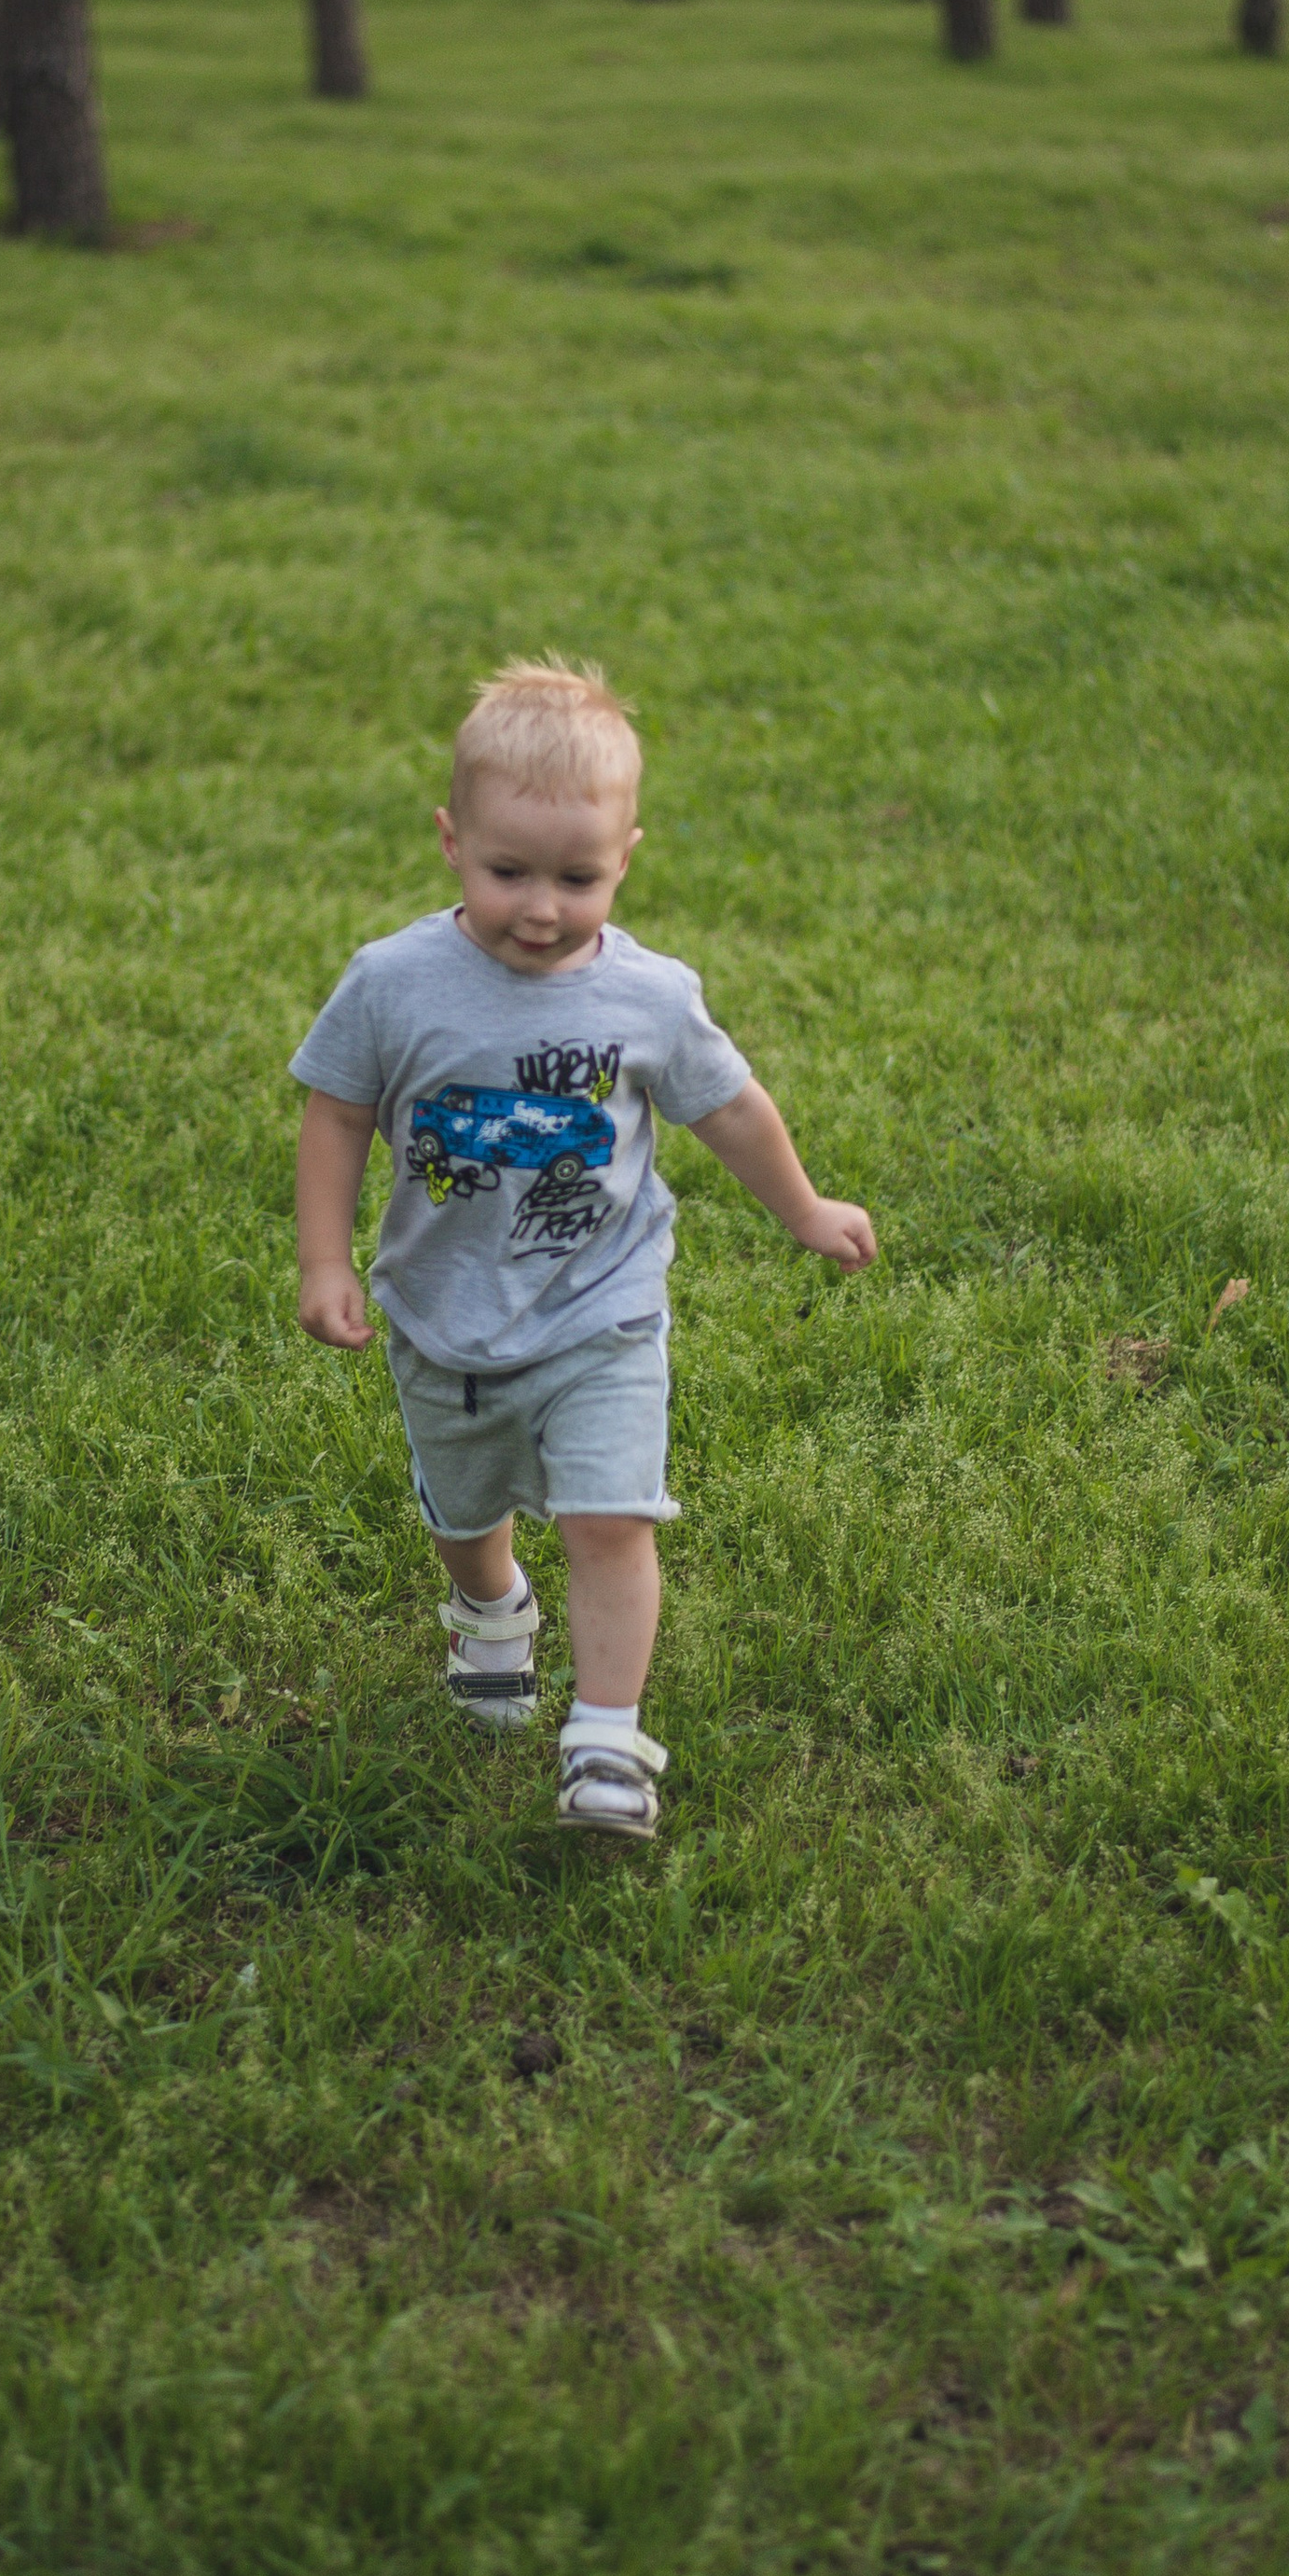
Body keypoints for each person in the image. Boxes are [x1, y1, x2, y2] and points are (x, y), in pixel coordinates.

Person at [290, 657, 876, 1841]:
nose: (543, 908)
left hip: (603, 1311)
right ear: (452, 840)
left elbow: (729, 1106)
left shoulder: (648, 997)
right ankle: (491, 1610)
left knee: (610, 1516)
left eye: (580, 876)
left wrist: (802, 1209)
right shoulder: (391, 983)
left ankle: (606, 1743)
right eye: (510, 872)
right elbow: (337, 1111)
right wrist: (325, 1261)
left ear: (629, 855)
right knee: (466, 1513)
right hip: (444, 1315)